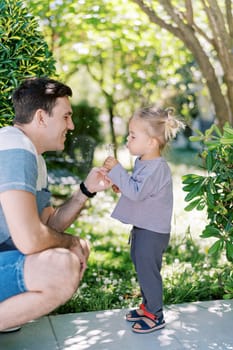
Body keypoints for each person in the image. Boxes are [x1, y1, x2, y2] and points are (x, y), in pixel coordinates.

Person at [0, 77, 111, 333]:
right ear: (41, 117)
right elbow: (30, 239)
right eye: (65, 117)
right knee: (61, 267)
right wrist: (70, 242)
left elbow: (48, 225)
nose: (71, 125)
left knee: (76, 248)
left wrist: (86, 190)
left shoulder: (34, 157)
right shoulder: (14, 147)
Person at [103, 106, 185, 334]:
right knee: (141, 265)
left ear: (151, 142)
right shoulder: (144, 162)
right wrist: (123, 185)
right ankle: (148, 306)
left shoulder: (157, 167)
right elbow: (138, 190)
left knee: (148, 270)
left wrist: (118, 170)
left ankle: (156, 314)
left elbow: (137, 192)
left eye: (132, 136)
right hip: (144, 226)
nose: (127, 140)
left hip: (153, 230)